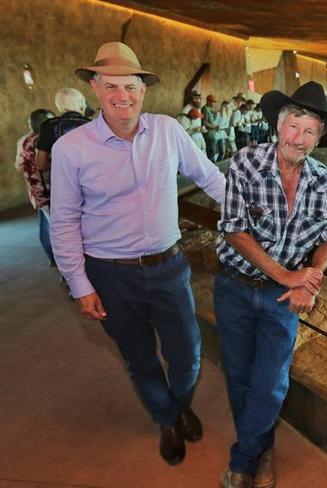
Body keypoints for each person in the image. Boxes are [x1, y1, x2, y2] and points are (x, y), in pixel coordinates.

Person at [49, 42, 226, 466]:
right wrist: (80, 285)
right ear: (95, 88)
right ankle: (167, 419)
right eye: (110, 86)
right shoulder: (71, 149)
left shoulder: (167, 130)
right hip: (110, 274)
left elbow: (209, 176)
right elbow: (64, 221)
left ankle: (177, 405)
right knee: (140, 358)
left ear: (143, 89)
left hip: (168, 266)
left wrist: (254, 215)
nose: (121, 95)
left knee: (188, 352)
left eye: (129, 86)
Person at [213, 81, 327, 488]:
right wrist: (288, 274)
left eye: (309, 131)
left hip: (283, 298)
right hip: (235, 287)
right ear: (277, 124)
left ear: (319, 137)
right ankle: (260, 448)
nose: (298, 138)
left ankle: (245, 459)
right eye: (293, 126)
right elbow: (234, 230)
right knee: (238, 375)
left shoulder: (323, 182)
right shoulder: (245, 163)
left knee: (271, 383)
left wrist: (311, 280)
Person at [15, 108, 55, 265]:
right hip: (53, 192)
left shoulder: (23, 141)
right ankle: (64, 265)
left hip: (36, 192)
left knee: (45, 225)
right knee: (60, 231)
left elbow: (18, 165)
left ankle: (53, 259)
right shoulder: (47, 140)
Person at [36, 87, 89, 173]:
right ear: (82, 106)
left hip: (61, 182)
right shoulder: (94, 125)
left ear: (59, 107)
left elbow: (41, 164)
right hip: (90, 181)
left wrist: (62, 166)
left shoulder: (48, 125)